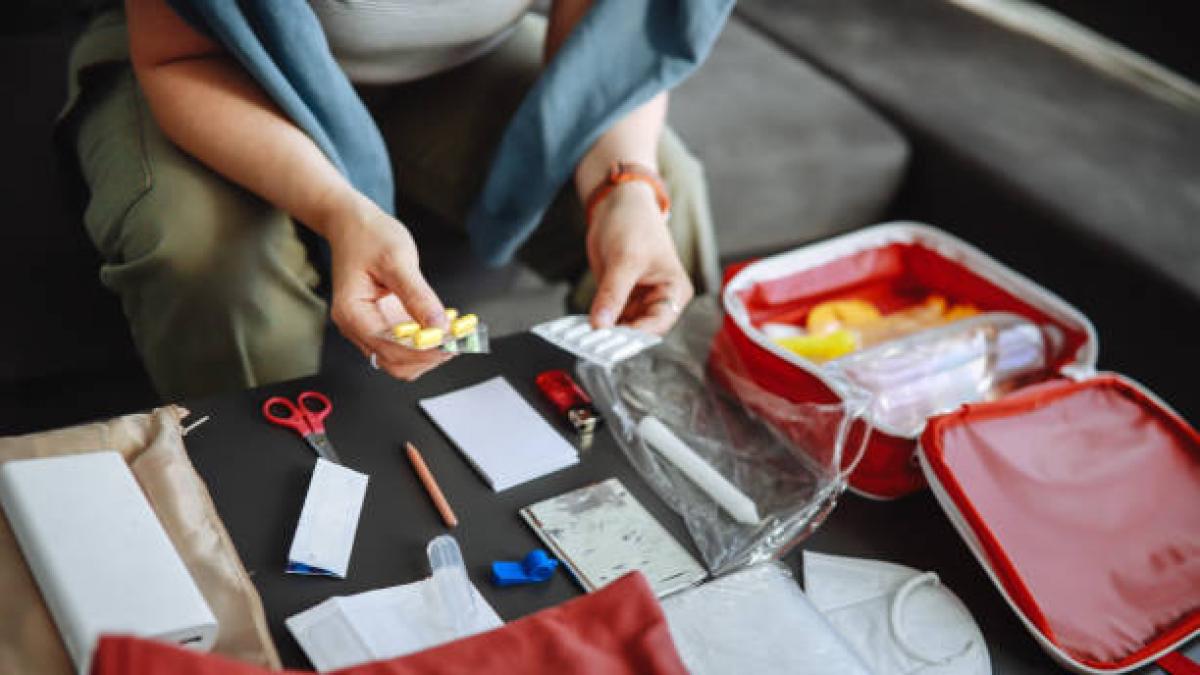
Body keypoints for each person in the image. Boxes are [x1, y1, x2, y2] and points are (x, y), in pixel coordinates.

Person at [60, 0, 722, 399]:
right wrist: (341, 210)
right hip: (217, 64)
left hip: (452, 66)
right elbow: (179, 57)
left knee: (668, 191)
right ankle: (264, 508)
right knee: (213, 260)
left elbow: (606, 44)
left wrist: (625, 186)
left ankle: (651, 449)